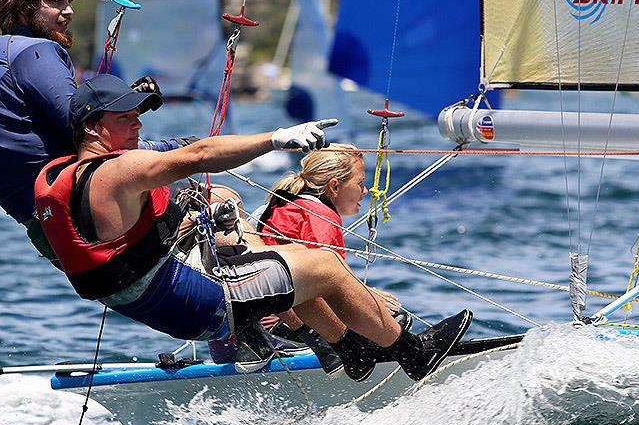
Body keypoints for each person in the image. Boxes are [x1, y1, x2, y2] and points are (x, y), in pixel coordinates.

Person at [35, 73, 473, 382]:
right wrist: (275, 139)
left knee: (293, 261)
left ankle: (349, 350)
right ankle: (415, 355)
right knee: (326, 267)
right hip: (193, 304)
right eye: (125, 119)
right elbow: (199, 155)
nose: (138, 125)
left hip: (153, 302)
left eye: (138, 116)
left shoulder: (59, 178)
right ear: (92, 126)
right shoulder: (118, 171)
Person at [0, 0, 184, 258]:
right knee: (210, 188)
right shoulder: (38, 51)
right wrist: (177, 147)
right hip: (83, 215)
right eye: (55, 2)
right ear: (23, 10)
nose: (68, 12)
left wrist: (127, 104)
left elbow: (57, 124)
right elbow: (88, 133)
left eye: (69, 2)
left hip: (46, 229)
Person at [248, 145, 409, 376]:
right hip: (281, 331)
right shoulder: (321, 216)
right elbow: (327, 286)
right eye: (360, 182)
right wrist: (371, 301)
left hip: (252, 329)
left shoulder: (288, 203)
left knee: (380, 312)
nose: (365, 191)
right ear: (334, 186)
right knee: (391, 319)